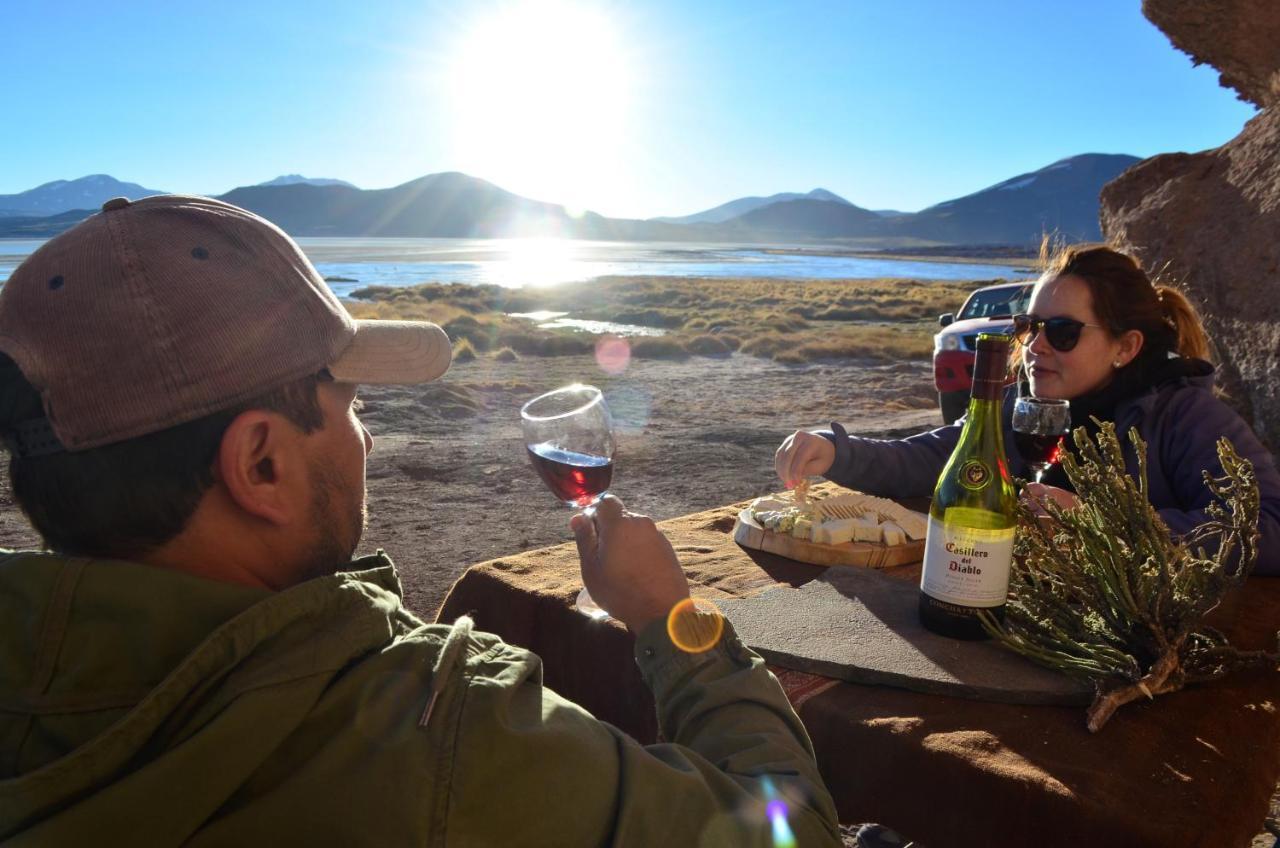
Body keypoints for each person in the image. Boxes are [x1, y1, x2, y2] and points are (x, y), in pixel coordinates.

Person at [0, 195, 840, 845]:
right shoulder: (444, 740)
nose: (363, 434)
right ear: (262, 465)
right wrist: (670, 619)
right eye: (351, 403)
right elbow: (793, 835)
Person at [775, 243, 1280, 574]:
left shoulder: (1185, 417)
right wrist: (835, 450)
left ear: (1125, 347)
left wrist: (1105, 523)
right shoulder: (1027, 407)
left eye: (1062, 332)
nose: (1036, 347)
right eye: (1029, 327)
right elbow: (934, 459)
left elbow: (1269, 527)